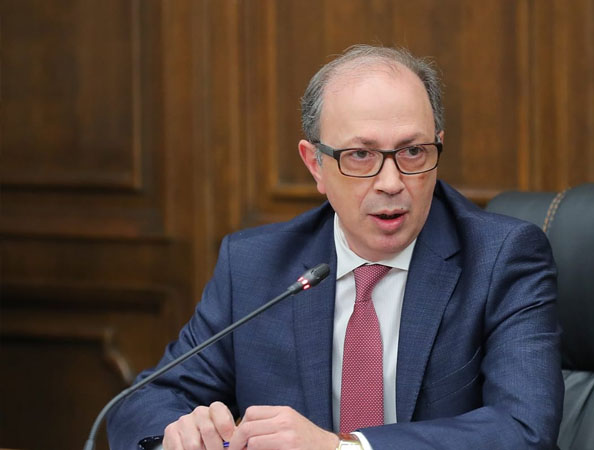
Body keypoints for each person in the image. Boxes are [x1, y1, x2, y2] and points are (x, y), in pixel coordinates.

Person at [107, 45, 563, 450]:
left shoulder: (501, 258)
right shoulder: (255, 267)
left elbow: (524, 429)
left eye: (413, 152)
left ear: (437, 149)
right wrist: (178, 435)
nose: (391, 182)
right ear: (316, 165)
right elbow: (143, 402)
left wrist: (341, 448)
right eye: (360, 155)